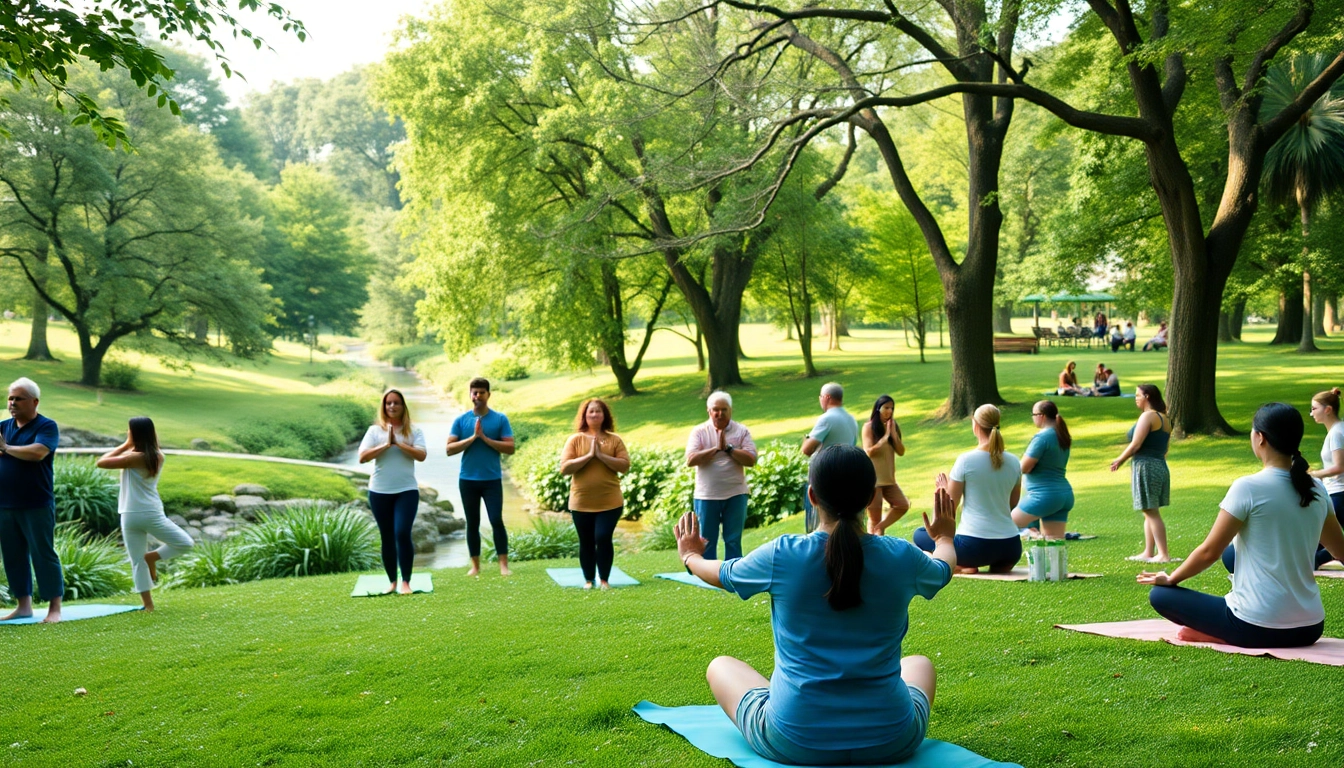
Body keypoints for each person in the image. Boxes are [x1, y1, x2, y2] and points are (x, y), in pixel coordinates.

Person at [674, 445, 957, 765]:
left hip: (794, 740)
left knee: (720, 666)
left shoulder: (783, 554)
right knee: (920, 664)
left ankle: (792, 704)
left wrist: (690, 556)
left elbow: (721, 574)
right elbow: (943, 569)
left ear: (812, 496)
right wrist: (945, 538)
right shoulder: (901, 557)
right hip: (892, 739)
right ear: (869, 499)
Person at [1139, 403, 1344, 647]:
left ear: (1260, 438)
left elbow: (1208, 552)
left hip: (1255, 626)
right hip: (1310, 628)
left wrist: (1171, 578)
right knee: (1231, 554)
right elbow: (1340, 550)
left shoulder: (1248, 487)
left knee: (1160, 595)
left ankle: (1218, 633)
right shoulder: (1317, 488)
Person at [96, 418, 194, 611]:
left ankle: (148, 604)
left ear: (134, 434)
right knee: (184, 543)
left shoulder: (134, 457)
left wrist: (125, 444)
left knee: (137, 561)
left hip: (129, 514)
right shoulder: (158, 456)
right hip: (150, 512)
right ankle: (153, 558)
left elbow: (101, 462)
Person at [914, 404, 1023, 574]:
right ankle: (995, 564)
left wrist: (943, 491)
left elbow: (949, 511)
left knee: (920, 535)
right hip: (1011, 548)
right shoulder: (1014, 461)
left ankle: (962, 564)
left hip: (973, 549)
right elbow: (1012, 504)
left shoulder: (966, 461)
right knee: (996, 556)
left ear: (975, 424)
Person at [0, 377, 64, 623]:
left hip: (36, 502)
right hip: (5, 504)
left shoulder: (46, 426)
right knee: (13, 555)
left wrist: (7, 448)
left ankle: (54, 610)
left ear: (34, 402)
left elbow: (38, 452)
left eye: (19, 399)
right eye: (10, 398)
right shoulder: (3, 426)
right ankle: (23, 606)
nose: (13, 403)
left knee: (43, 554)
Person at [358, 389, 428, 593]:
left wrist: (398, 443)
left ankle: (406, 582)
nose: (392, 406)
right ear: (384, 406)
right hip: (379, 491)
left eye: (396, 403)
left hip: (406, 490)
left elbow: (421, 455)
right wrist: (386, 445)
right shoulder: (374, 431)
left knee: (402, 532)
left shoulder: (414, 431)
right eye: (388, 403)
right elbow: (363, 457)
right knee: (387, 536)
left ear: (403, 406)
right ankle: (392, 583)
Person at [447, 377, 515, 577]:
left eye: (481, 392)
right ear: (470, 395)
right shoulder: (461, 420)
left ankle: (503, 565)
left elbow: (510, 448)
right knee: (472, 522)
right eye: (474, 392)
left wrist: (485, 438)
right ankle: (475, 566)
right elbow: (449, 449)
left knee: (496, 520)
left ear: (488, 395)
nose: (477, 396)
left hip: (492, 479)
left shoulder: (500, 419)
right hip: (468, 479)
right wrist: (473, 438)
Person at [560, 398, 630, 589]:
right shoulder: (575, 440)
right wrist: (589, 455)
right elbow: (565, 468)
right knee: (587, 541)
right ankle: (589, 580)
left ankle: (605, 579)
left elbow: (624, 466)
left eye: (598, 411)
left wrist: (601, 455)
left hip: (610, 501)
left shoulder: (614, 440)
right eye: (591, 411)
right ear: (584, 415)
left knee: (602, 537)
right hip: (581, 501)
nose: (594, 414)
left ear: (604, 415)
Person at [685, 391, 758, 560]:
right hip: (707, 495)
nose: (720, 413)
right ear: (709, 411)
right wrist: (716, 449)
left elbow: (751, 459)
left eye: (724, 409)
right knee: (707, 539)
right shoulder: (699, 431)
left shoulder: (741, 431)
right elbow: (690, 459)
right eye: (716, 409)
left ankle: (733, 575)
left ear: (730, 410)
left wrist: (729, 449)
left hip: (735, 493)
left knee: (733, 539)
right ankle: (708, 575)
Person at [1111, 384, 1175, 562]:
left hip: (1146, 465)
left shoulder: (1148, 416)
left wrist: (1119, 460)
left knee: (1151, 511)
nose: (1136, 398)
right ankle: (1149, 552)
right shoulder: (1165, 419)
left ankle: (1163, 554)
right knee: (1149, 510)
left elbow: (1136, 444)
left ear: (1147, 396)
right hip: (1159, 465)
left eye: (1138, 395)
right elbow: (1164, 449)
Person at [1011, 401, 1074, 540]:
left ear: (1041, 416)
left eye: (1033, 414)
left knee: (1005, 525)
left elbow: (1025, 467)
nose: (1033, 418)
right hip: (1064, 494)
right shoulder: (1060, 435)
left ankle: (1030, 533)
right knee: (1054, 543)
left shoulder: (1042, 438)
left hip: (1043, 495)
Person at [801, 382, 858, 532]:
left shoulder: (827, 419)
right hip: (847, 474)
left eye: (820, 397)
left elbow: (807, 450)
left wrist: (806, 438)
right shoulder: (851, 420)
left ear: (826, 397)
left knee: (821, 522)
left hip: (825, 475)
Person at [862, 395, 910, 534]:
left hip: (889, 480)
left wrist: (893, 435)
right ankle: (876, 545)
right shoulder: (869, 427)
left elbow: (900, 451)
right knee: (874, 519)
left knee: (902, 505)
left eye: (892, 408)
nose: (889, 411)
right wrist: (884, 438)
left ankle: (880, 528)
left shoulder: (893, 426)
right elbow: (869, 451)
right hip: (874, 481)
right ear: (878, 409)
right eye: (886, 407)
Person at [1309, 388, 1344, 566]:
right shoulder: (1338, 430)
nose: (1311, 413)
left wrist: (1313, 474)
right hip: (1337, 492)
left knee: (1320, 541)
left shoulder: (1337, 433)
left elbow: (1339, 467)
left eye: (1314, 409)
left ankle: (1311, 561)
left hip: (1339, 494)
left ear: (1328, 409)